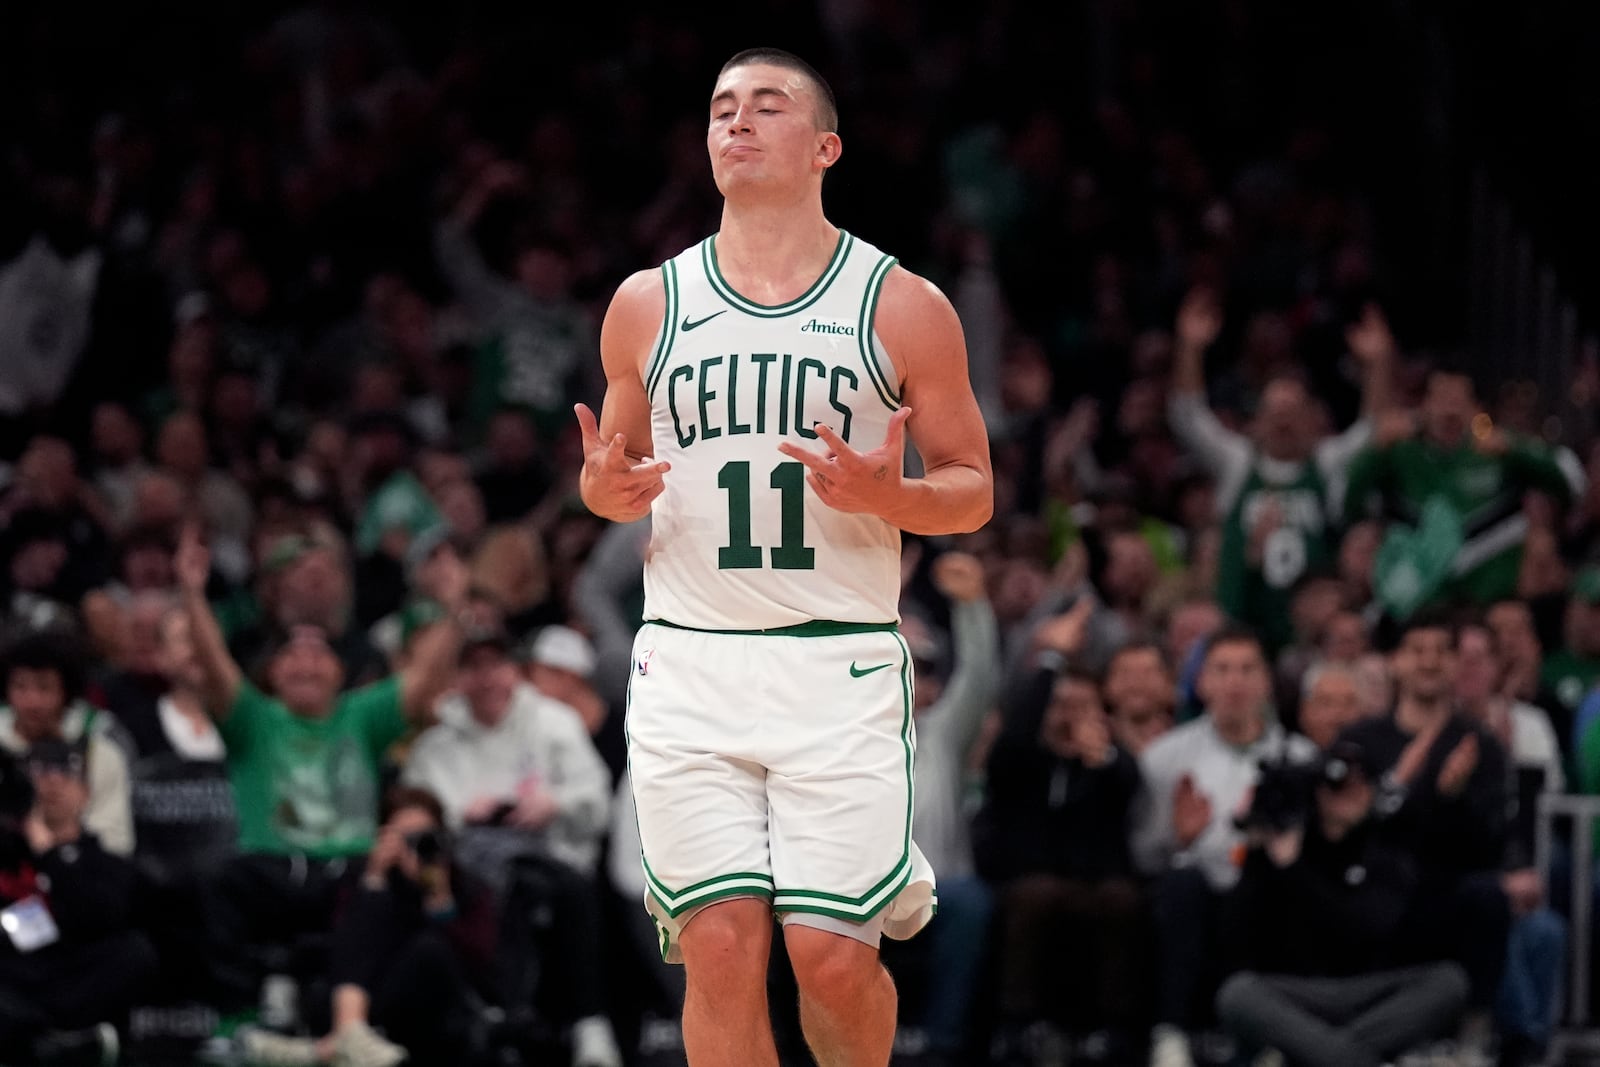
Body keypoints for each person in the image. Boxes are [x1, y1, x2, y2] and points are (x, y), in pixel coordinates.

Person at [574, 47, 992, 1067]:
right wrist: (605, 489)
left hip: (835, 662)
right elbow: (610, 467)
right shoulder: (646, 303)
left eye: (766, 107)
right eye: (721, 109)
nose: (737, 123)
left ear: (824, 147)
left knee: (831, 960)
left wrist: (887, 494)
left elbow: (971, 487)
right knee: (716, 946)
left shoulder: (901, 304)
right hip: (690, 660)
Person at [172, 523, 466, 1016]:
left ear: (339, 673)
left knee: (398, 878)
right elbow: (214, 660)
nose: (306, 664)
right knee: (217, 878)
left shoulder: (362, 715)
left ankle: (362, 1016)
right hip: (270, 867)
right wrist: (190, 593)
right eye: (293, 657)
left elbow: (426, 676)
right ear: (273, 674)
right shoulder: (252, 718)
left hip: (345, 867)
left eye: (318, 656)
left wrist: (455, 606)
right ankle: (240, 1019)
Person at [1216, 739, 1469, 1067]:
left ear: (1373, 790)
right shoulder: (1285, 845)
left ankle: (1306, 1055)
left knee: (1449, 982)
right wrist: (1257, 855)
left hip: (1371, 992)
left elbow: (1363, 927)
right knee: (1237, 994)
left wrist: (1294, 873)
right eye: (1335, 784)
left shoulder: (1388, 848)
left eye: (1358, 783)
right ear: (1317, 790)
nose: (1347, 793)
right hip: (1298, 994)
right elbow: (1233, 945)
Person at [1167, 289, 1394, 655]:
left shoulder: (1326, 464)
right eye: (1275, 412)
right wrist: (1189, 349)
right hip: (1242, 621)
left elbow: (1374, 430)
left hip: (1315, 634)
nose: (1283, 421)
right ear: (1257, 419)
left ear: (1311, 419)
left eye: (1292, 412)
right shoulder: (1238, 463)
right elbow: (1188, 417)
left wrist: (1379, 363)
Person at [1130, 625, 1318, 1067]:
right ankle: (1171, 1033)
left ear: (1266, 682)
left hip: (1264, 893)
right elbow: (1140, 855)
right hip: (1192, 895)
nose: (1235, 682)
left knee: (1276, 889)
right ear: (1202, 681)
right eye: (1223, 669)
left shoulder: (1301, 758)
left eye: (1248, 669)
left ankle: (1268, 1038)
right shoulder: (1165, 757)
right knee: (1184, 884)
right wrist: (1179, 837)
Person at [0, 740, 160, 1065]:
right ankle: (52, 1044)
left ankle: (52, 1040)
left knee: (134, 952)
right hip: (19, 977)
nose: (52, 782)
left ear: (86, 792)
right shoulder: (8, 853)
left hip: (74, 976)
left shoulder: (103, 861)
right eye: (40, 773)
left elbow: (99, 918)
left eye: (65, 773)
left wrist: (52, 856)